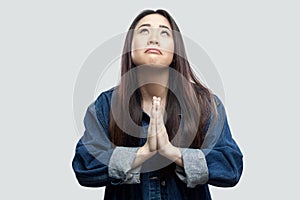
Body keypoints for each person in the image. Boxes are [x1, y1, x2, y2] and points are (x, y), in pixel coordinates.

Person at [72, 9, 243, 200]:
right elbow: (84, 165)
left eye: (164, 33)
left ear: (176, 49)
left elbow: (231, 167)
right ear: (130, 47)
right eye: (144, 31)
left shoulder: (205, 104)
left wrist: (172, 152)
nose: (153, 39)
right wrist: (143, 153)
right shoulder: (106, 105)